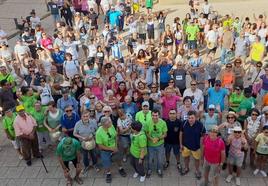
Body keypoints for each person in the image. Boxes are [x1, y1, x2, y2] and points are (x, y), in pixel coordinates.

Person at [95, 117, 127, 183]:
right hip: (105, 150)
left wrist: (115, 146)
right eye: (109, 122)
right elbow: (100, 146)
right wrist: (111, 149)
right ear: (104, 124)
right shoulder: (98, 133)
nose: (111, 123)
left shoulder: (111, 126)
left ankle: (120, 168)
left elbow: (115, 136)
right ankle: (108, 173)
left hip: (114, 147)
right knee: (106, 162)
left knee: (118, 158)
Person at [180, 111, 206, 179]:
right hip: (186, 145)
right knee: (186, 157)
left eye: (192, 118)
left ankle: (197, 171)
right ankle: (186, 168)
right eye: (189, 118)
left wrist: (201, 147)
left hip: (196, 147)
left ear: (196, 118)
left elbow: (203, 136)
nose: (190, 119)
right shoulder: (184, 123)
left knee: (197, 159)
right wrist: (180, 144)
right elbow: (181, 133)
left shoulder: (200, 125)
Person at [144, 109, 167, 177]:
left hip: (160, 144)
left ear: (159, 115)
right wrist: (151, 139)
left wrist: (158, 138)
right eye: (153, 115)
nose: (154, 117)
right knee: (150, 159)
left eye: (156, 115)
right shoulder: (148, 123)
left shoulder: (163, 123)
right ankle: (149, 169)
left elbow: (165, 134)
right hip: (150, 145)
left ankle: (159, 169)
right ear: (151, 115)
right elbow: (146, 133)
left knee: (160, 159)